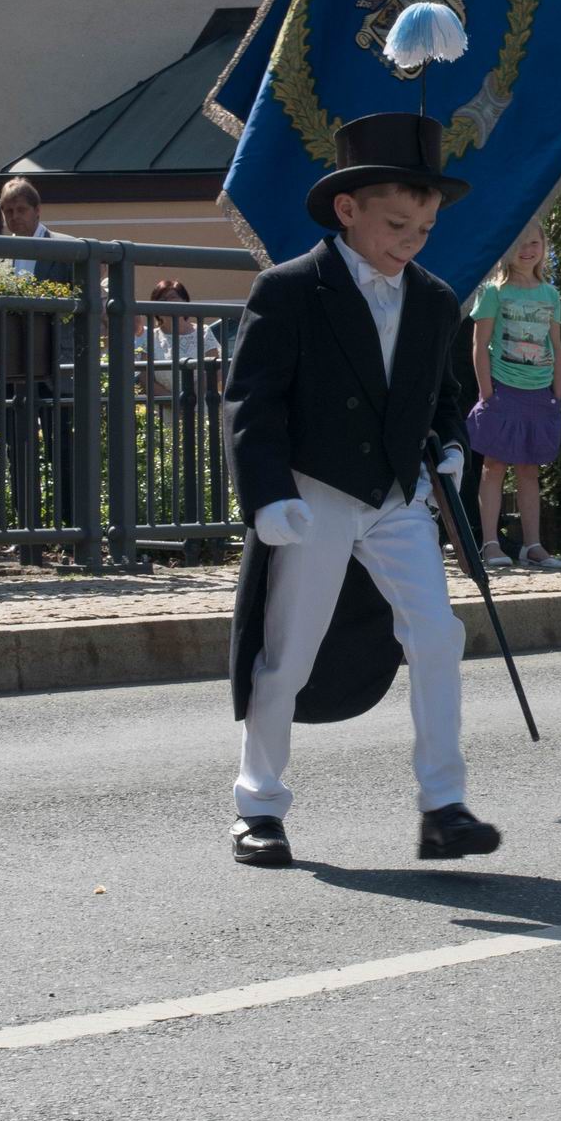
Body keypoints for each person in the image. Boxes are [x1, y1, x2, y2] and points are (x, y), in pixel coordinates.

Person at [223, 105, 493, 870]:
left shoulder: (436, 300)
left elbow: (441, 397)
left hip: (397, 497)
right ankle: (258, 805)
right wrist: (268, 492)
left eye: (423, 230)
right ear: (347, 209)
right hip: (315, 495)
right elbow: (253, 399)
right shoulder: (290, 290)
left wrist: (447, 446)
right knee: (288, 652)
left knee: (438, 636)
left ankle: (444, 803)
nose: (409, 243)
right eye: (396, 225)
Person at [465, 228, 561, 569]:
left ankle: (533, 544)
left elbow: (557, 347)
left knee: (529, 469)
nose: (527, 250)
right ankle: (490, 543)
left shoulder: (551, 295)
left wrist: (557, 393)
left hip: (540, 392)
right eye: (519, 243)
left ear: (543, 247)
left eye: (534, 242)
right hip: (502, 389)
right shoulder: (493, 292)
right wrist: (487, 393)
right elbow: (479, 345)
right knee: (493, 467)